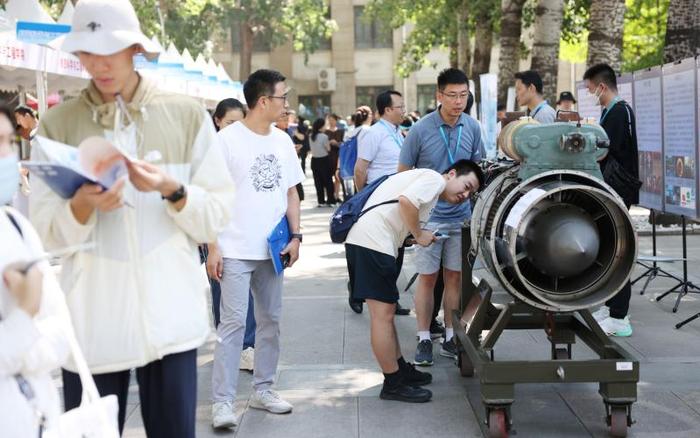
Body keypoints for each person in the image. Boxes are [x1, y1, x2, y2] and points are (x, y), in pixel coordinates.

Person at [30, 1, 236, 436]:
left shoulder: (184, 114)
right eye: (87, 52)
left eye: (110, 51)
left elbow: (216, 216)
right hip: (92, 324)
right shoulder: (56, 124)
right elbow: (45, 234)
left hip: (171, 323)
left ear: (135, 48)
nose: (98, 65)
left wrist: (172, 190)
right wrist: (82, 205)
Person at [208, 69, 304, 429]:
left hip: (273, 250)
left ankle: (264, 388)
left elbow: (292, 192)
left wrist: (296, 237)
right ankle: (222, 402)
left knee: (271, 323)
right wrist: (212, 246)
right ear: (264, 101)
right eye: (283, 97)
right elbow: (211, 196)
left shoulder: (281, 141)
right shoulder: (227, 141)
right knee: (232, 325)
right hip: (233, 248)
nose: (286, 104)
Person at [345, 159, 483, 402]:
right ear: (451, 174)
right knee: (382, 316)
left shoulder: (430, 186)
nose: (465, 194)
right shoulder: (434, 179)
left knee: (386, 314)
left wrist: (412, 236)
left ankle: (399, 370)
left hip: (374, 242)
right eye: (466, 185)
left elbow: (400, 208)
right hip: (372, 243)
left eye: (471, 192)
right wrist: (419, 235)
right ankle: (392, 383)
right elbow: (405, 202)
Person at [398, 68, 483, 366]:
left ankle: (450, 334)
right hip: (429, 220)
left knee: (455, 279)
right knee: (427, 279)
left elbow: (478, 169)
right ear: (439, 96)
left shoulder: (472, 127)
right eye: (452, 95)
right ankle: (424, 337)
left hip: (461, 218)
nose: (458, 102)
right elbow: (402, 174)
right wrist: (412, 225)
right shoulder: (421, 129)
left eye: (463, 96)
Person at [0, 105, 72, 438]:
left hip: (39, 420)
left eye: (6, 142)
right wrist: (26, 315)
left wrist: (21, 353)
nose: (3, 154)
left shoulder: (15, 225)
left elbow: (60, 332)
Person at [584, 63, 639, 337]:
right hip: (610, 187)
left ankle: (620, 316)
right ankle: (611, 305)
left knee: (618, 250)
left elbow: (605, 152)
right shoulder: (610, 111)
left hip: (618, 189)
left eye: (590, 88)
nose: (589, 92)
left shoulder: (618, 112)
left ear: (601, 86)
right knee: (609, 248)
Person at [350, 91, 411, 317]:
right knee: (380, 254)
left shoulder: (399, 133)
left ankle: (391, 298)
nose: (403, 111)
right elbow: (360, 169)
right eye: (400, 107)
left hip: (399, 201)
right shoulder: (373, 134)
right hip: (379, 203)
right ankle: (355, 291)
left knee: (397, 254)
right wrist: (363, 198)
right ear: (387, 110)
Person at [209, 97, 256, 373]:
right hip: (216, 233)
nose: (235, 128)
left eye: (240, 123)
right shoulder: (208, 150)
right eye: (229, 123)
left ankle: (246, 346)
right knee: (220, 293)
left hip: (243, 232)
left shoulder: (245, 146)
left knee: (245, 294)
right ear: (217, 120)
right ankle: (227, 342)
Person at [309, 118, 336, 206]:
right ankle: (331, 200)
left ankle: (321, 201)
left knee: (318, 182)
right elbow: (328, 148)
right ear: (321, 127)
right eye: (325, 125)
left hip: (314, 160)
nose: (326, 127)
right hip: (324, 160)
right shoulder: (324, 136)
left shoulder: (310, 136)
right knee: (328, 181)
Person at [326, 113, 345, 200]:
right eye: (329, 120)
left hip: (338, 156)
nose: (331, 122)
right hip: (328, 156)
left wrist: (336, 143)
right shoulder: (325, 132)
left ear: (336, 120)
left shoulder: (341, 131)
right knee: (329, 178)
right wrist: (328, 143)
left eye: (332, 120)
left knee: (337, 177)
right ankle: (331, 195)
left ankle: (337, 195)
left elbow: (344, 144)